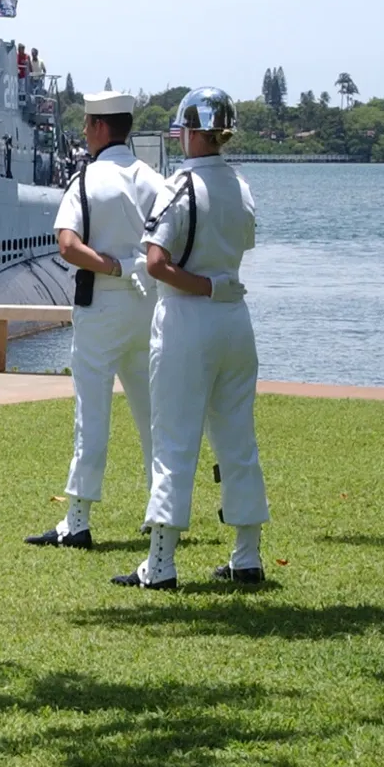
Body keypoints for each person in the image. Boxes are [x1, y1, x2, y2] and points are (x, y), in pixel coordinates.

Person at [114, 87, 266, 590]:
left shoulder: (180, 185)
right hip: (235, 319)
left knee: (174, 440)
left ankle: (160, 562)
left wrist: (202, 285)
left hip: (187, 317)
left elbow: (157, 261)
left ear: (194, 131)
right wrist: (218, 283)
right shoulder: (240, 185)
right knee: (238, 439)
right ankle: (247, 555)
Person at [26, 91, 166, 550]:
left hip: (102, 302)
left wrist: (111, 266)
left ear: (101, 127)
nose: (85, 133)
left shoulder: (87, 181)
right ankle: (160, 509)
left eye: (87, 125)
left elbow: (68, 245)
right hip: (149, 302)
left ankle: (78, 519)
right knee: (154, 415)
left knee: (92, 414)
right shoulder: (155, 180)